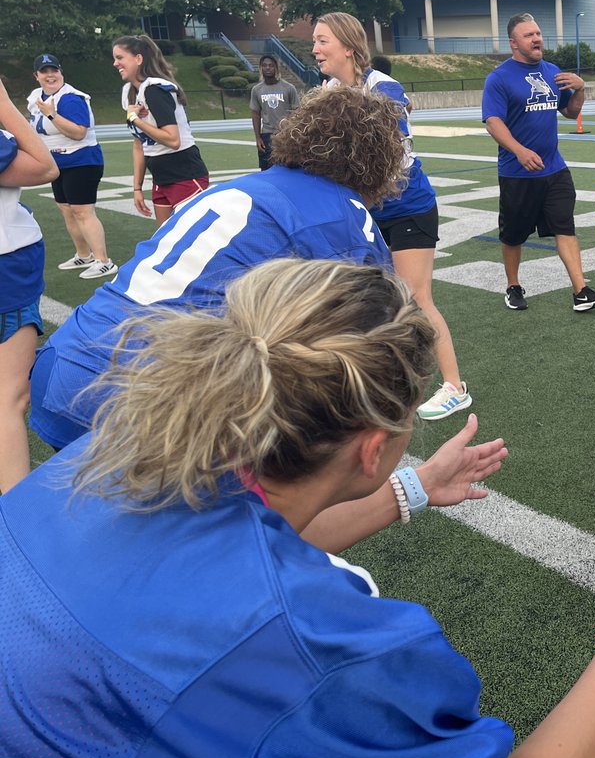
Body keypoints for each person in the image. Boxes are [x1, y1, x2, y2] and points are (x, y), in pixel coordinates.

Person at [0, 255, 595, 758]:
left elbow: (231, 551)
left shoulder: (101, 459)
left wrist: (411, 491)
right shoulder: (323, 641)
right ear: (374, 445)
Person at [29, 86, 404, 454]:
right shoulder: (343, 215)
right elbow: (380, 340)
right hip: (144, 397)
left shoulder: (240, 188)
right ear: (376, 160)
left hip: (63, 364)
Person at [313, 12, 471, 420]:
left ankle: (454, 386)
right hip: (367, 208)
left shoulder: (382, 87)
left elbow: (391, 156)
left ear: (348, 46)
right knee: (363, 300)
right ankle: (370, 381)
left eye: (323, 41)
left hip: (407, 205)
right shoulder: (329, 89)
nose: (315, 49)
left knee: (417, 297)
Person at [482, 13, 595, 312]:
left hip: (554, 168)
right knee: (513, 234)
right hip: (517, 172)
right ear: (514, 43)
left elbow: (569, 111)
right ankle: (513, 286)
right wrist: (519, 151)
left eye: (538, 33)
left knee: (565, 227)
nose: (537, 38)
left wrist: (580, 89)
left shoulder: (552, 71)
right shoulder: (499, 77)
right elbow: (493, 121)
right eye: (529, 35)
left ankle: (581, 291)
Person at [0, 77, 58, 493]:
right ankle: (14, 519)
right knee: (8, 398)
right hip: (6, 263)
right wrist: (4, 105)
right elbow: (44, 166)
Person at [27, 53, 114, 279]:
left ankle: (103, 260)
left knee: (82, 211)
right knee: (67, 210)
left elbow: (78, 133)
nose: (50, 75)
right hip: (57, 163)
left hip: (81, 160)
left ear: (60, 72)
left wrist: (52, 115)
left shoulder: (71, 98)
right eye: (44, 71)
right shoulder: (36, 97)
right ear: (36, 75)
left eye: (53, 70)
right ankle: (83, 255)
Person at [113, 34, 210, 226]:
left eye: (120, 57)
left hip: (184, 172)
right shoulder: (131, 92)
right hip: (160, 175)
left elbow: (173, 140)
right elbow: (138, 144)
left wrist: (136, 120)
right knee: (165, 239)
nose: (115, 63)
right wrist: (137, 188)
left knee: (196, 237)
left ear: (138, 59)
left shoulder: (155, 89)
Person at [250, 54, 300, 171]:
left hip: (285, 134)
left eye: (271, 65)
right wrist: (258, 137)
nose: (268, 68)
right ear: (261, 68)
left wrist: (294, 134)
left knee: (288, 168)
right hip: (267, 135)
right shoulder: (257, 90)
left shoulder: (288, 88)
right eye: (264, 65)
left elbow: (297, 112)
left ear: (276, 68)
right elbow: (256, 114)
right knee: (267, 170)